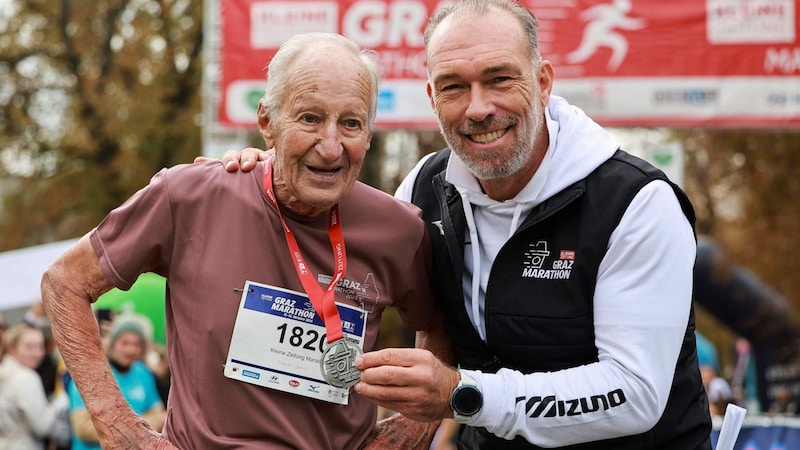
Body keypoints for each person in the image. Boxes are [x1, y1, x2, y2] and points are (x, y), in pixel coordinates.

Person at [223, 1, 712, 448]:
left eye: (500, 79)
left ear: (542, 83)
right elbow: (319, 243)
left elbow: (635, 393)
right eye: (455, 86)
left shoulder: (638, 202)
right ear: (433, 97)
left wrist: (465, 394)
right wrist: (257, 178)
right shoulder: (420, 190)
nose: (479, 109)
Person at [41, 32, 442, 449]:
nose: (330, 146)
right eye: (309, 118)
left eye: (351, 123)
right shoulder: (190, 196)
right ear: (268, 122)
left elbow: (442, 327)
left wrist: (414, 426)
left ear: (369, 135)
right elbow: (65, 282)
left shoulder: (399, 230)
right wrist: (118, 427)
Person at [68, 312, 165, 450]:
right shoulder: (90, 373)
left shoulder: (143, 372)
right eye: (124, 343)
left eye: (136, 344)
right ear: (112, 344)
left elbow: (159, 415)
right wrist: (138, 427)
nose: (131, 350)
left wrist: (117, 427)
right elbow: (82, 428)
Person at [0, 323, 62, 450]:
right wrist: (58, 403)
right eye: (29, 347)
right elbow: (43, 427)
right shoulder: (26, 378)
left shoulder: (4, 371)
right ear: (12, 349)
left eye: (40, 346)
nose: (37, 353)